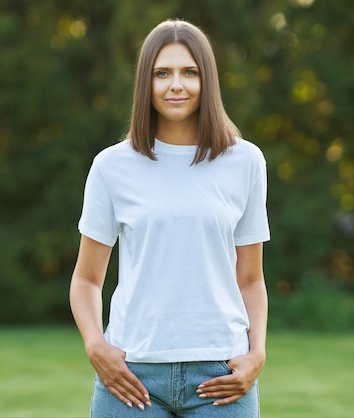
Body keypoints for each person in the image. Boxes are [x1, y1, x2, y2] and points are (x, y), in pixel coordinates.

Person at [69, 18, 270, 418]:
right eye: (162, 73)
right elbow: (86, 279)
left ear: (206, 81)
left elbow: (250, 278)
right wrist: (96, 346)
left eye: (189, 72)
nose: (175, 84)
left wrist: (257, 353)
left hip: (221, 376)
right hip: (130, 376)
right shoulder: (111, 166)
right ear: (146, 82)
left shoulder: (245, 161)